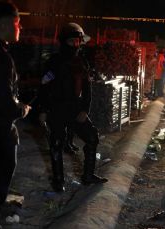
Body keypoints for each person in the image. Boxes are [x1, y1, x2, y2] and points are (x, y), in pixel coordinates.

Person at [38, 22, 107, 192]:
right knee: (56, 144)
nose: (75, 45)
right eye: (71, 41)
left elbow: (87, 90)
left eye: (78, 41)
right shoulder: (53, 62)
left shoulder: (81, 62)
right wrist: (43, 111)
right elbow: (43, 88)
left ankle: (88, 175)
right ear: (63, 42)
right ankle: (58, 180)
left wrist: (85, 110)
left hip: (75, 108)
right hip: (56, 109)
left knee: (92, 137)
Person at [0, 2, 31, 229]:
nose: (20, 27)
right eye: (18, 23)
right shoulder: (0, 58)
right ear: (6, 24)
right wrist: (22, 109)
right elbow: (4, 102)